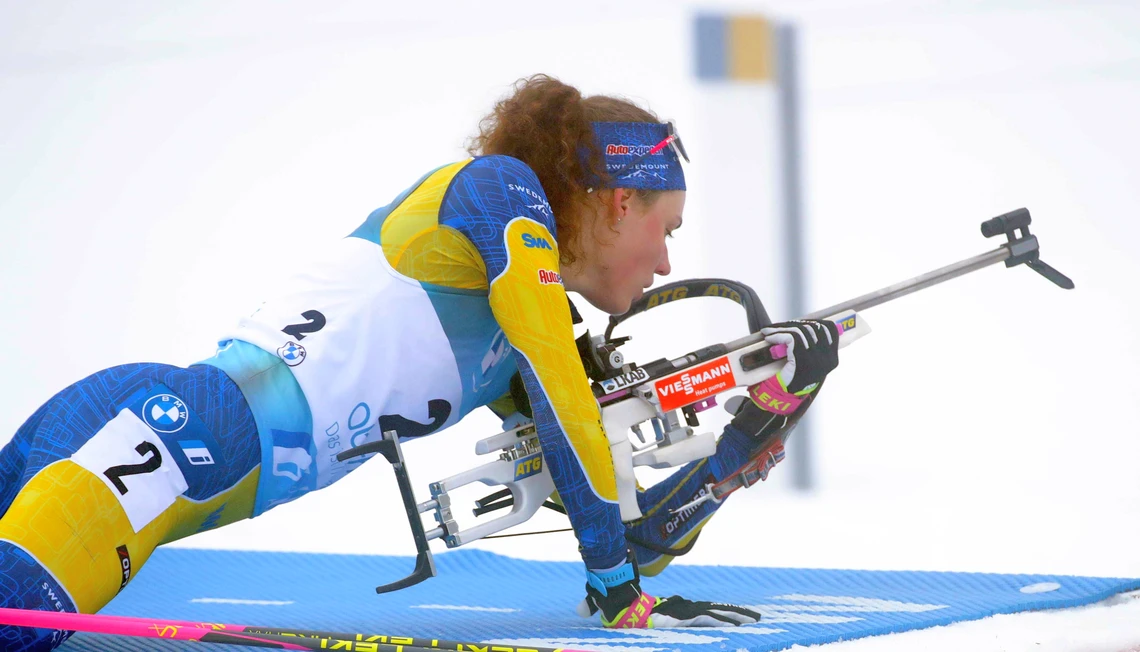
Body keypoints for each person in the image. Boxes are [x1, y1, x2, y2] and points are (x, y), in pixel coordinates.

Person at [0, 74, 839, 649]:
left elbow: (631, 533)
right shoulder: (501, 193)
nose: (663, 264)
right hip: (179, 443)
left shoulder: (515, 349)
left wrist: (762, 418)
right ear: (621, 201)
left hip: (162, 432)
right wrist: (617, 595)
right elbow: (565, 402)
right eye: (667, 231)